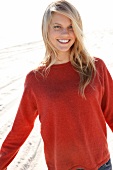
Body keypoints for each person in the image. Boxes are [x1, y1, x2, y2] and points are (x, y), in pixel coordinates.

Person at [0, 0, 113, 169]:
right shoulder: (36, 79)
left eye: (71, 27)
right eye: (57, 27)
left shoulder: (96, 67)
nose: (65, 33)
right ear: (47, 30)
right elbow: (20, 129)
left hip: (100, 165)